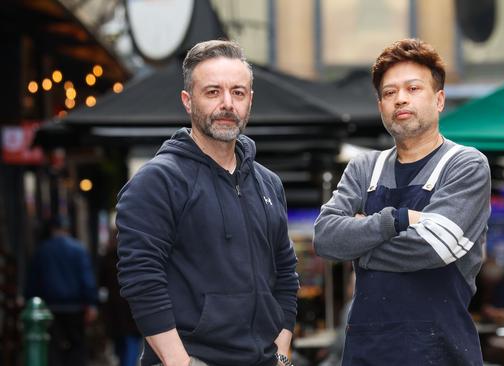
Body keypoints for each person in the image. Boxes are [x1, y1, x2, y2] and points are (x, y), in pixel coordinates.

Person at [116, 40, 299, 366]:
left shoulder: (268, 183)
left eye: (238, 93)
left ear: (250, 101)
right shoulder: (157, 181)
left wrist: (281, 355)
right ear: (188, 101)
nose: (227, 104)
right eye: (213, 92)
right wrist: (180, 363)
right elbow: (142, 281)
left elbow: (286, 275)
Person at [313, 38, 491, 365]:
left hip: (442, 352)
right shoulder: (364, 167)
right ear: (380, 105)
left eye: (413, 88)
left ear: (439, 100)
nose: (400, 99)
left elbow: (437, 245)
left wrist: (359, 244)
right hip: (366, 352)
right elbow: (325, 238)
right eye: (389, 93)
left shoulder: (465, 165)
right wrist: (395, 221)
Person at [25, 216, 99, 366]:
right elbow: (87, 279)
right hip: (75, 308)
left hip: (49, 307)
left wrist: (29, 300)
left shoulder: (42, 250)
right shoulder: (79, 249)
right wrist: (91, 303)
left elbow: (33, 281)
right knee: (77, 347)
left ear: (52, 230)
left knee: (52, 348)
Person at [98, 229, 141, 366]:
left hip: (114, 310)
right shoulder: (136, 257)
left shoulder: (108, 258)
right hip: (131, 308)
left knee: (121, 344)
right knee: (130, 343)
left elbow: (101, 284)